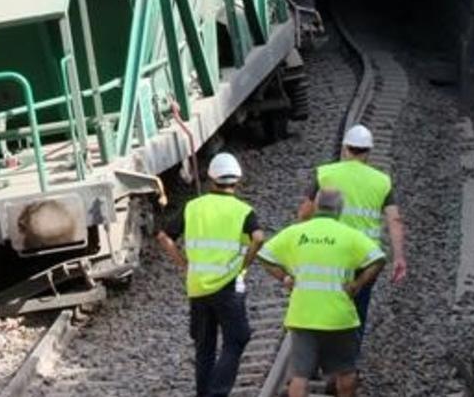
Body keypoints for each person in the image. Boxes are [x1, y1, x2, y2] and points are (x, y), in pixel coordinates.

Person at [156, 152, 266, 397]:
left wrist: (184, 264)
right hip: (227, 286)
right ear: (237, 180)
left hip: (197, 287)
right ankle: (217, 393)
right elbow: (258, 238)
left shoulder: (192, 207)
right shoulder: (243, 210)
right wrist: (245, 264)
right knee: (237, 338)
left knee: (204, 347)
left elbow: (164, 236)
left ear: (211, 179)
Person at [260, 189, 386, 397]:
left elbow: (265, 255)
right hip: (339, 316)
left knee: (300, 375)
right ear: (340, 209)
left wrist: (285, 278)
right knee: (346, 371)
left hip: (303, 315)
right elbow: (378, 258)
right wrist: (358, 283)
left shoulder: (296, 233)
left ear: (316, 206)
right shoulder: (349, 235)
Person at [299, 123, 406, 341]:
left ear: (346, 148)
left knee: (326, 302)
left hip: (329, 250)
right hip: (364, 257)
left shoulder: (326, 174)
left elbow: (304, 213)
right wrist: (399, 257)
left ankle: (322, 353)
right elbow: (394, 220)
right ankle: (348, 359)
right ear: (368, 152)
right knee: (357, 307)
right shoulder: (381, 181)